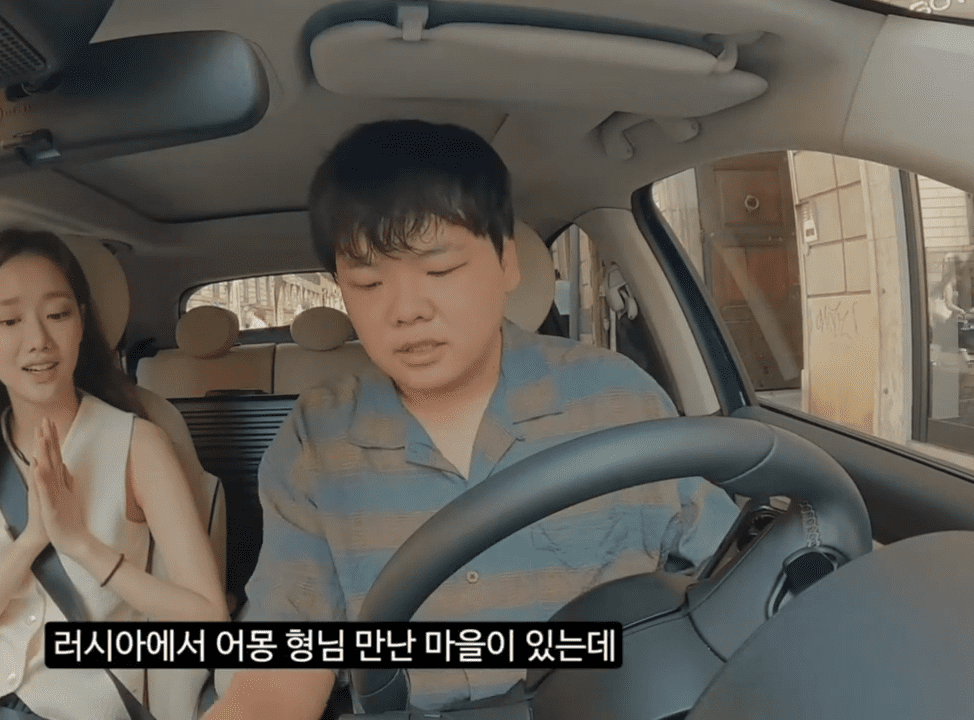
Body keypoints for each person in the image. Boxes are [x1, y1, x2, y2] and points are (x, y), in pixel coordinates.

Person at [206, 120, 740, 719]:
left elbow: (735, 579)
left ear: (507, 262)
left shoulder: (616, 399)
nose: (406, 311)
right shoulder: (316, 440)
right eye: (368, 281)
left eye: (439, 272)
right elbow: (280, 669)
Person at [0, 229, 228, 720]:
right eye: (9, 321)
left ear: (81, 322)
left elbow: (208, 616)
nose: (39, 341)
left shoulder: (139, 445)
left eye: (58, 315)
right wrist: (31, 543)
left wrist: (82, 546)